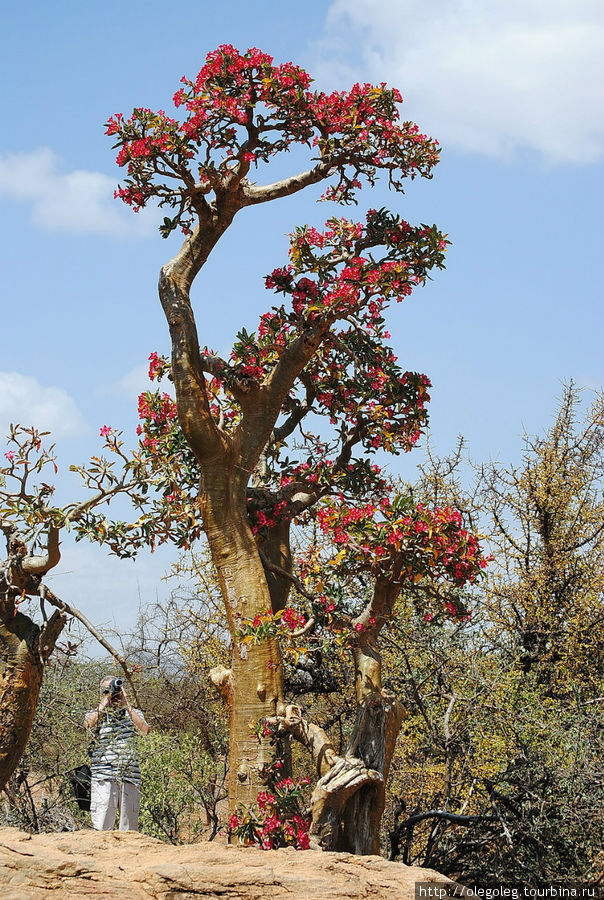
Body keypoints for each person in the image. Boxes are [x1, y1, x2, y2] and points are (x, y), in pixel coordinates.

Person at [84, 676, 150, 831]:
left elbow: (145, 730)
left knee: (129, 828)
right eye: (108, 690)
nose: (113, 693)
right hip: (104, 776)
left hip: (129, 776)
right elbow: (87, 724)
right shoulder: (97, 714)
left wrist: (127, 704)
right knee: (102, 825)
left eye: (115, 690)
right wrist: (104, 702)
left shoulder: (132, 713)